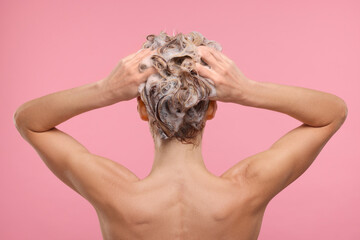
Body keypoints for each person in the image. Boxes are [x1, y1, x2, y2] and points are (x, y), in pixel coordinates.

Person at [14, 43, 347, 239]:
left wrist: (105, 90)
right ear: (212, 109)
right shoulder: (247, 188)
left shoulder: (115, 193)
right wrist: (246, 90)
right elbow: (333, 112)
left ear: (143, 110)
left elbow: (29, 122)